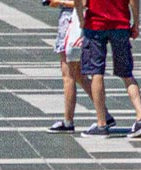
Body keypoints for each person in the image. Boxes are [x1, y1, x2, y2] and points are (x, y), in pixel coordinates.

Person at [76, 0, 141, 137]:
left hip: (95, 26)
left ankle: (101, 124)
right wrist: (136, 23)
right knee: (127, 73)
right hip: (120, 25)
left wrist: (81, 19)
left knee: (96, 73)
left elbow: (81, 1)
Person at [43, 0, 109, 131]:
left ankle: (68, 121)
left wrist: (57, 2)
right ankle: (104, 114)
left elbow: (83, 3)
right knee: (77, 74)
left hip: (73, 22)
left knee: (68, 74)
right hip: (73, 21)